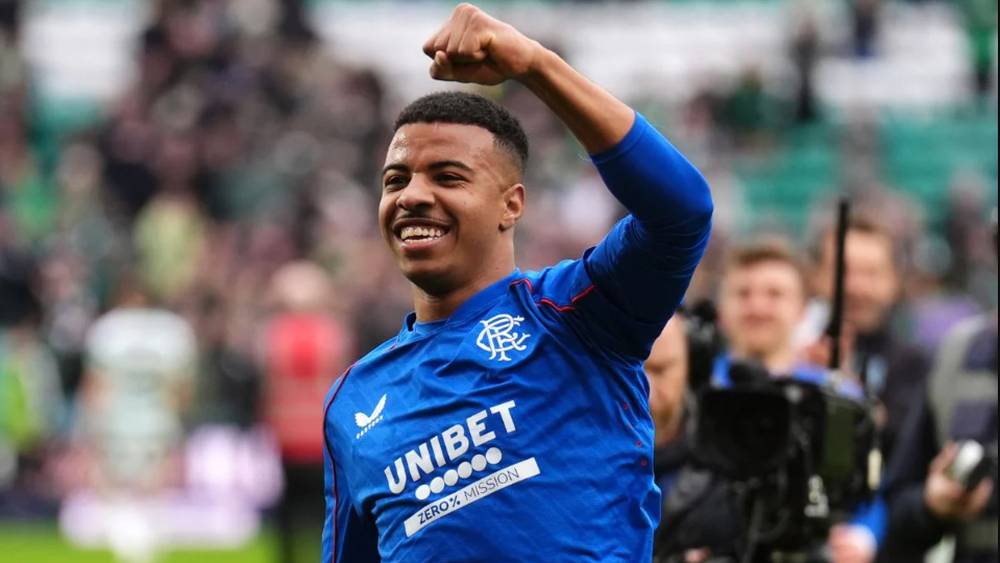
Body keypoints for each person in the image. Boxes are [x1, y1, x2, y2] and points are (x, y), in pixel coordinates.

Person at [321, 4, 713, 561]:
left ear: (512, 205)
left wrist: (535, 66)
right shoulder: (354, 400)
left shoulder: (576, 316)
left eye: (448, 176)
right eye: (395, 179)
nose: (412, 196)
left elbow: (682, 212)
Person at [657, 240, 882, 563]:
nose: (758, 307)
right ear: (721, 309)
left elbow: (869, 492)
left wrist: (863, 537)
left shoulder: (836, 399)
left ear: (802, 309)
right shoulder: (687, 388)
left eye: (774, 294)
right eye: (743, 294)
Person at [799, 216, 930, 463]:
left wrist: (845, 387)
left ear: (895, 280)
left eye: (871, 273)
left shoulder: (915, 365)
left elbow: (903, 448)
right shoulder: (794, 351)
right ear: (816, 276)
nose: (856, 287)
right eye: (843, 271)